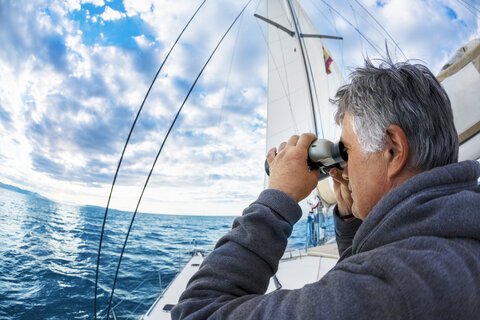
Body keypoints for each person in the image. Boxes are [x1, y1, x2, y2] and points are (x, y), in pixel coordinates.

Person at [171, 59, 480, 319]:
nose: (342, 166)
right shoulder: (454, 242)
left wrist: (276, 199)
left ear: (393, 150)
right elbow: (369, 270)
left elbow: (197, 310)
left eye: (345, 150)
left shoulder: (386, 289)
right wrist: (350, 222)